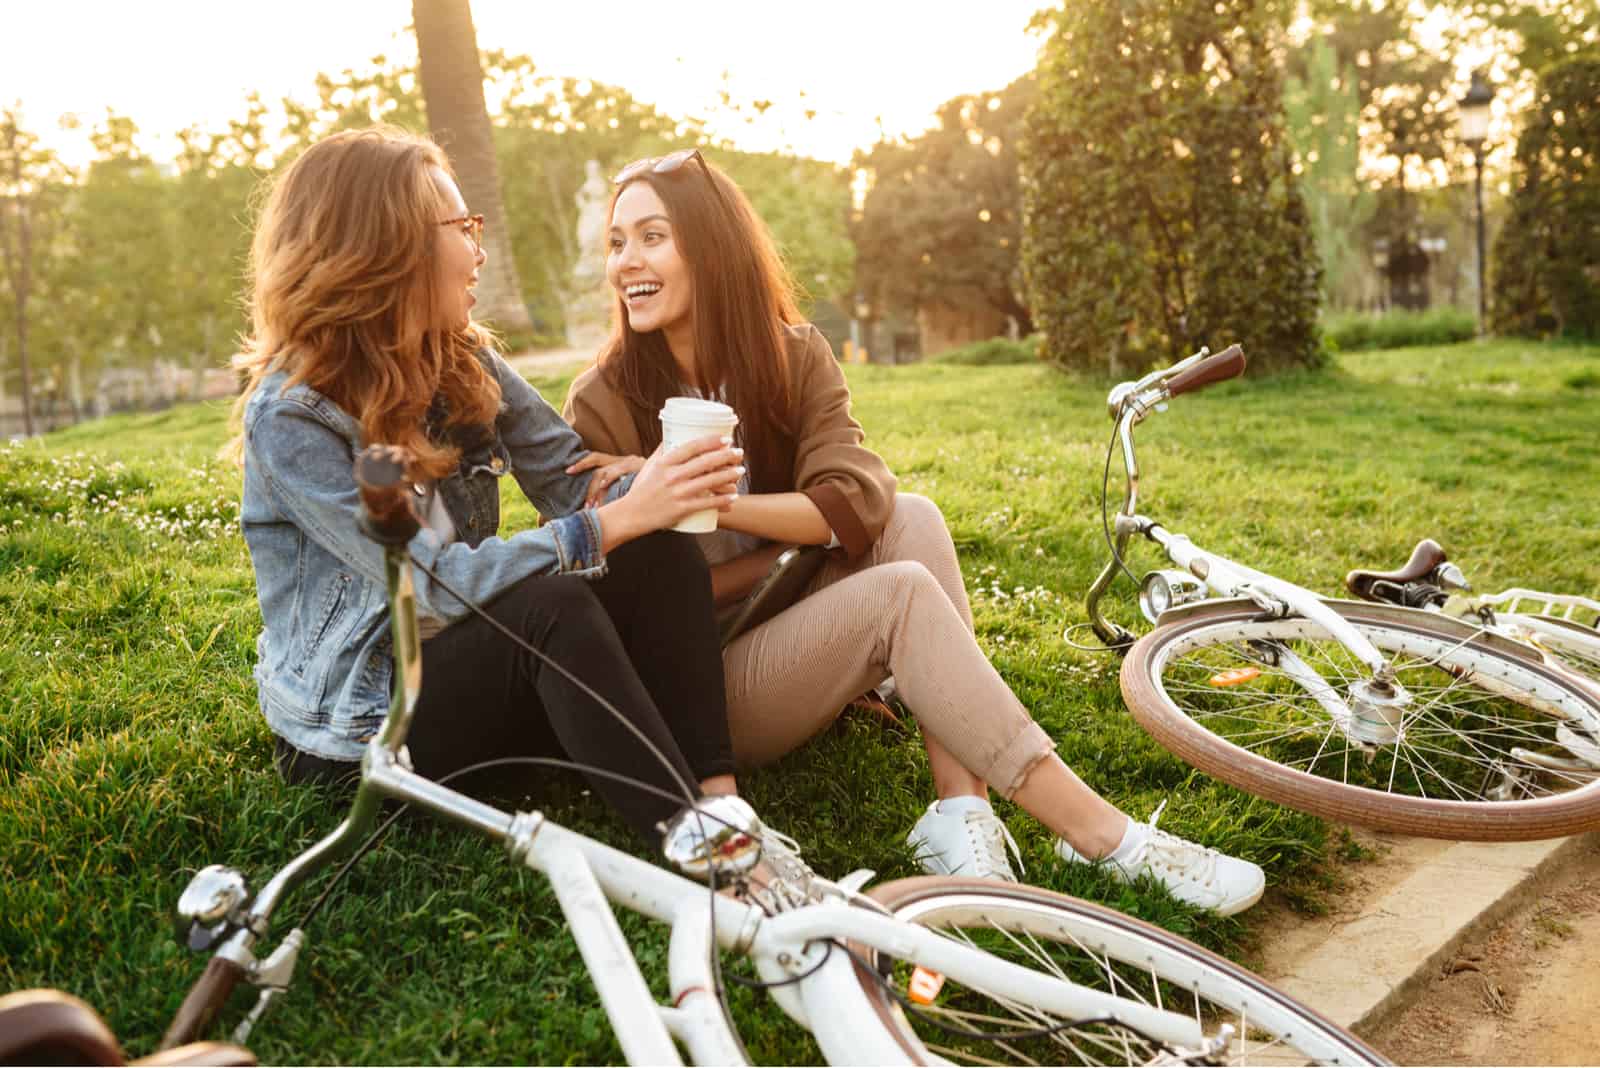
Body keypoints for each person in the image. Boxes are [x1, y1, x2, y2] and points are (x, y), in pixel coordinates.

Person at [562, 149, 1266, 915]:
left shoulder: (790, 356)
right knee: (896, 592)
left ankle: (959, 812)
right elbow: (606, 600)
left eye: (651, 237)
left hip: (783, 609)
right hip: (702, 684)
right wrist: (780, 537)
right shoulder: (603, 398)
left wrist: (715, 503)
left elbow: (860, 498)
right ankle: (1106, 838)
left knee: (913, 517)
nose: (626, 261)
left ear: (710, 246)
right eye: (616, 242)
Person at [228, 127, 812, 902]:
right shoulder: (295, 416)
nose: (479, 252)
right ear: (389, 245)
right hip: (369, 722)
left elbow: (570, 480)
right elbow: (432, 586)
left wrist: (645, 486)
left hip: (473, 679)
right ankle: (711, 864)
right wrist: (611, 523)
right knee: (552, 603)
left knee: (659, 550)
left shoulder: (459, 355)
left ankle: (720, 799)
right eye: (463, 231)